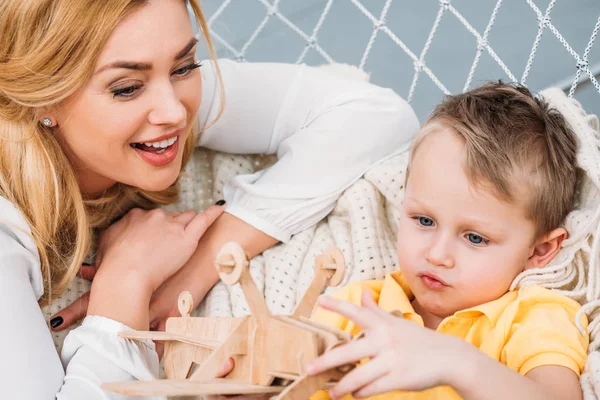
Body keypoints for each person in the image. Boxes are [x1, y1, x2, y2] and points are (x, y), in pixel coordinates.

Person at [0, 0, 419, 398]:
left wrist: (208, 256)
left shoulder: (152, 83)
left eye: (185, 65)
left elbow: (375, 115)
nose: (176, 113)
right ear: (39, 95)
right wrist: (125, 281)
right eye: (127, 89)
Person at [304, 82, 589, 400]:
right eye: (424, 221)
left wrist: (456, 361)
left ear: (540, 250)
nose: (437, 255)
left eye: (475, 238)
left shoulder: (530, 317)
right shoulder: (355, 308)